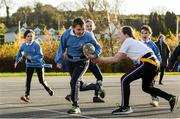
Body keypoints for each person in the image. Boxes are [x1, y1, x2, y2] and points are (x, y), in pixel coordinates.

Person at [89, 26, 179, 115]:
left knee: (124, 80)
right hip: (153, 64)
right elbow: (119, 58)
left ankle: (125, 107)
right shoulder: (133, 42)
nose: (119, 36)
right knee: (146, 88)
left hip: (148, 62)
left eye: (120, 34)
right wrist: (99, 60)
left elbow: (116, 59)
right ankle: (171, 98)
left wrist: (98, 60)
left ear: (126, 35)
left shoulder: (128, 41)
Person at [55, 18, 103, 114]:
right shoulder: (66, 35)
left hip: (82, 61)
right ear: (73, 28)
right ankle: (97, 86)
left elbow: (98, 47)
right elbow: (61, 48)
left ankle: (75, 106)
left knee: (74, 82)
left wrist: (94, 55)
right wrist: (59, 60)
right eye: (79, 30)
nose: (81, 32)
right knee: (79, 86)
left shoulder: (88, 35)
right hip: (70, 61)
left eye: (83, 29)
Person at [65, 19, 105, 103]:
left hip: (91, 60)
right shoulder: (81, 35)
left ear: (93, 27)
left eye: (91, 25)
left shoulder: (90, 36)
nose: (89, 27)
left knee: (99, 77)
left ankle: (96, 96)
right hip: (82, 60)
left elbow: (97, 48)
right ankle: (72, 94)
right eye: (87, 26)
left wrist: (94, 55)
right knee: (78, 82)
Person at [14, 29, 54, 103]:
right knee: (28, 80)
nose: (30, 38)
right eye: (28, 36)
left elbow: (41, 55)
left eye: (31, 36)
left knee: (41, 81)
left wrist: (32, 58)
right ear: (25, 37)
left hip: (39, 65)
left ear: (33, 37)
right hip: (29, 65)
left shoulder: (36, 45)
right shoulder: (23, 45)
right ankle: (27, 96)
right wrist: (17, 61)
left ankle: (48, 89)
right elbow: (20, 53)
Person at [140, 25, 161, 107]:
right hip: (142, 67)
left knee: (151, 84)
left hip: (153, 68)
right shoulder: (139, 43)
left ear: (150, 34)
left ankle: (155, 99)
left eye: (146, 33)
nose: (144, 35)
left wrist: (158, 64)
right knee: (146, 86)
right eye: (142, 33)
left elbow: (158, 55)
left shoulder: (152, 44)